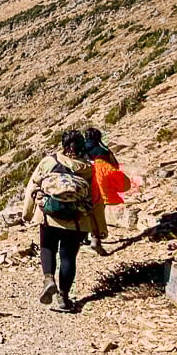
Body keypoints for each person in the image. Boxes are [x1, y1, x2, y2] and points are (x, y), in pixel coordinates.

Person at [22, 129, 105, 312]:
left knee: (47, 247)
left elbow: (32, 186)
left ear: (64, 146)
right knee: (68, 256)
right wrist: (100, 228)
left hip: (49, 215)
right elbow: (97, 199)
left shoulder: (49, 162)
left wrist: (27, 213)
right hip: (77, 220)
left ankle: (48, 279)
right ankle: (63, 297)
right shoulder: (88, 169)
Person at [84, 127, 128, 255]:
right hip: (99, 186)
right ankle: (96, 239)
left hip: (82, 184)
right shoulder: (103, 150)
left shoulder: (80, 149)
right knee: (97, 212)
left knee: (84, 212)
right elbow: (114, 167)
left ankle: (83, 236)